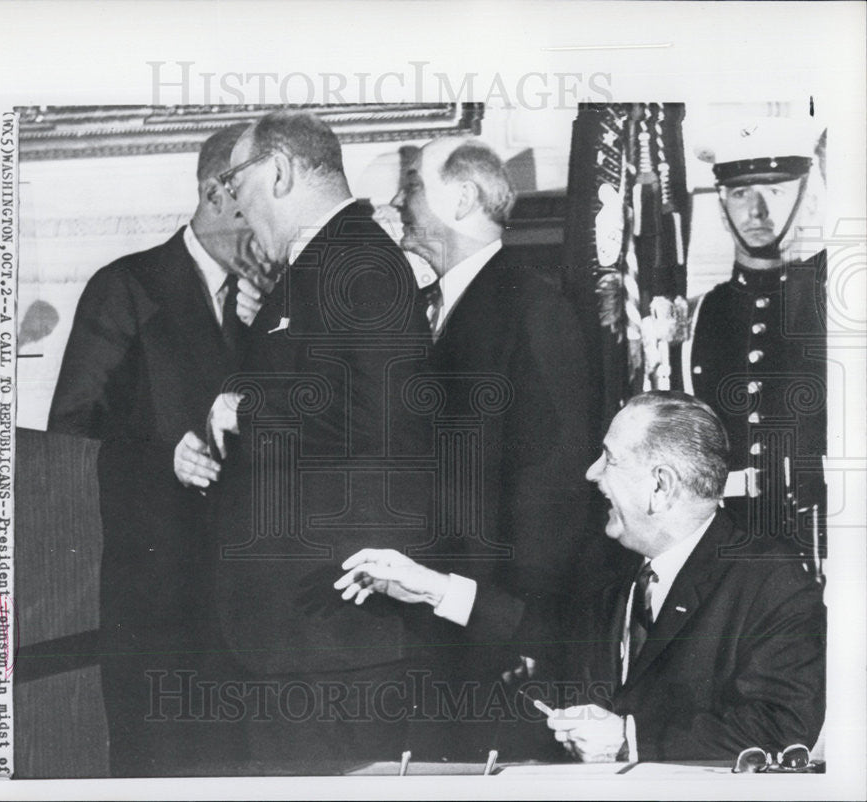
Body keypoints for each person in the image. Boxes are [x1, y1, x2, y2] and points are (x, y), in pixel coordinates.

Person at [340, 392, 827, 762]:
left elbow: (781, 729)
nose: (592, 474)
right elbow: (544, 629)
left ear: (661, 486)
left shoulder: (771, 581)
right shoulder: (613, 563)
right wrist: (431, 587)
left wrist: (629, 740)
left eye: (609, 460)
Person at [336, 136, 597, 758]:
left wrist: (514, 631)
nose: (398, 204)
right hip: (443, 627)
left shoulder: (533, 308)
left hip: (493, 648)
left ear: (460, 197)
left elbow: (553, 490)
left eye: (412, 188)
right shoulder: (441, 306)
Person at [200, 110, 432, 764]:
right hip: (304, 638)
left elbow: (385, 422)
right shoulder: (322, 268)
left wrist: (248, 413)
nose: (237, 209)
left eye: (235, 185)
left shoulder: (360, 263)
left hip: (332, 645)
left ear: (277, 172)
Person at [47, 123, 265, 776]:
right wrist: (160, 460)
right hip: (160, 614)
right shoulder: (126, 288)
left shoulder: (272, 300)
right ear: (216, 193)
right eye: (264, 191)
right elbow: (68, 442)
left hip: (252, 620)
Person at [685, 117, 828, 560]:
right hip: (734, 551)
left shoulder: (832, 293)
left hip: (821, 540)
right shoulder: (701, 313)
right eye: (741, 193)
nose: (756, 210)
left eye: (776, 190)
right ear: (722, 205)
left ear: (806, 200)